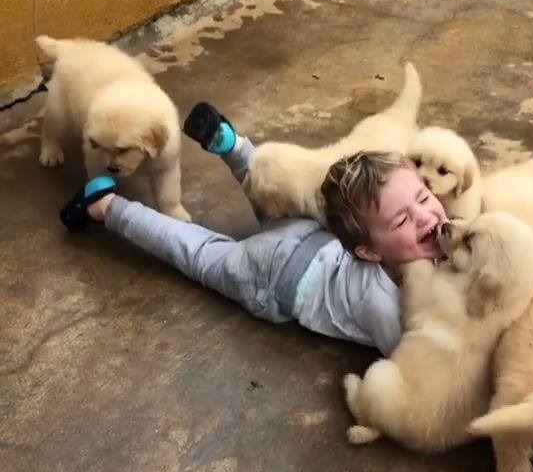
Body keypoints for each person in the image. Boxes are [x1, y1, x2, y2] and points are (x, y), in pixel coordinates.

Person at [59, 103, 447, 355]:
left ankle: (236, 148)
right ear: (368, 251)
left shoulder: (399, 244)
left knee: (273, 200)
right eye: (402, 220)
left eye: (425, 198)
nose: (427, 216)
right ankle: (106, 206)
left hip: (311, 233)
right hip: (273, 279)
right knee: (198, 252)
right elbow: (414, 361)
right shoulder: (383, 303)